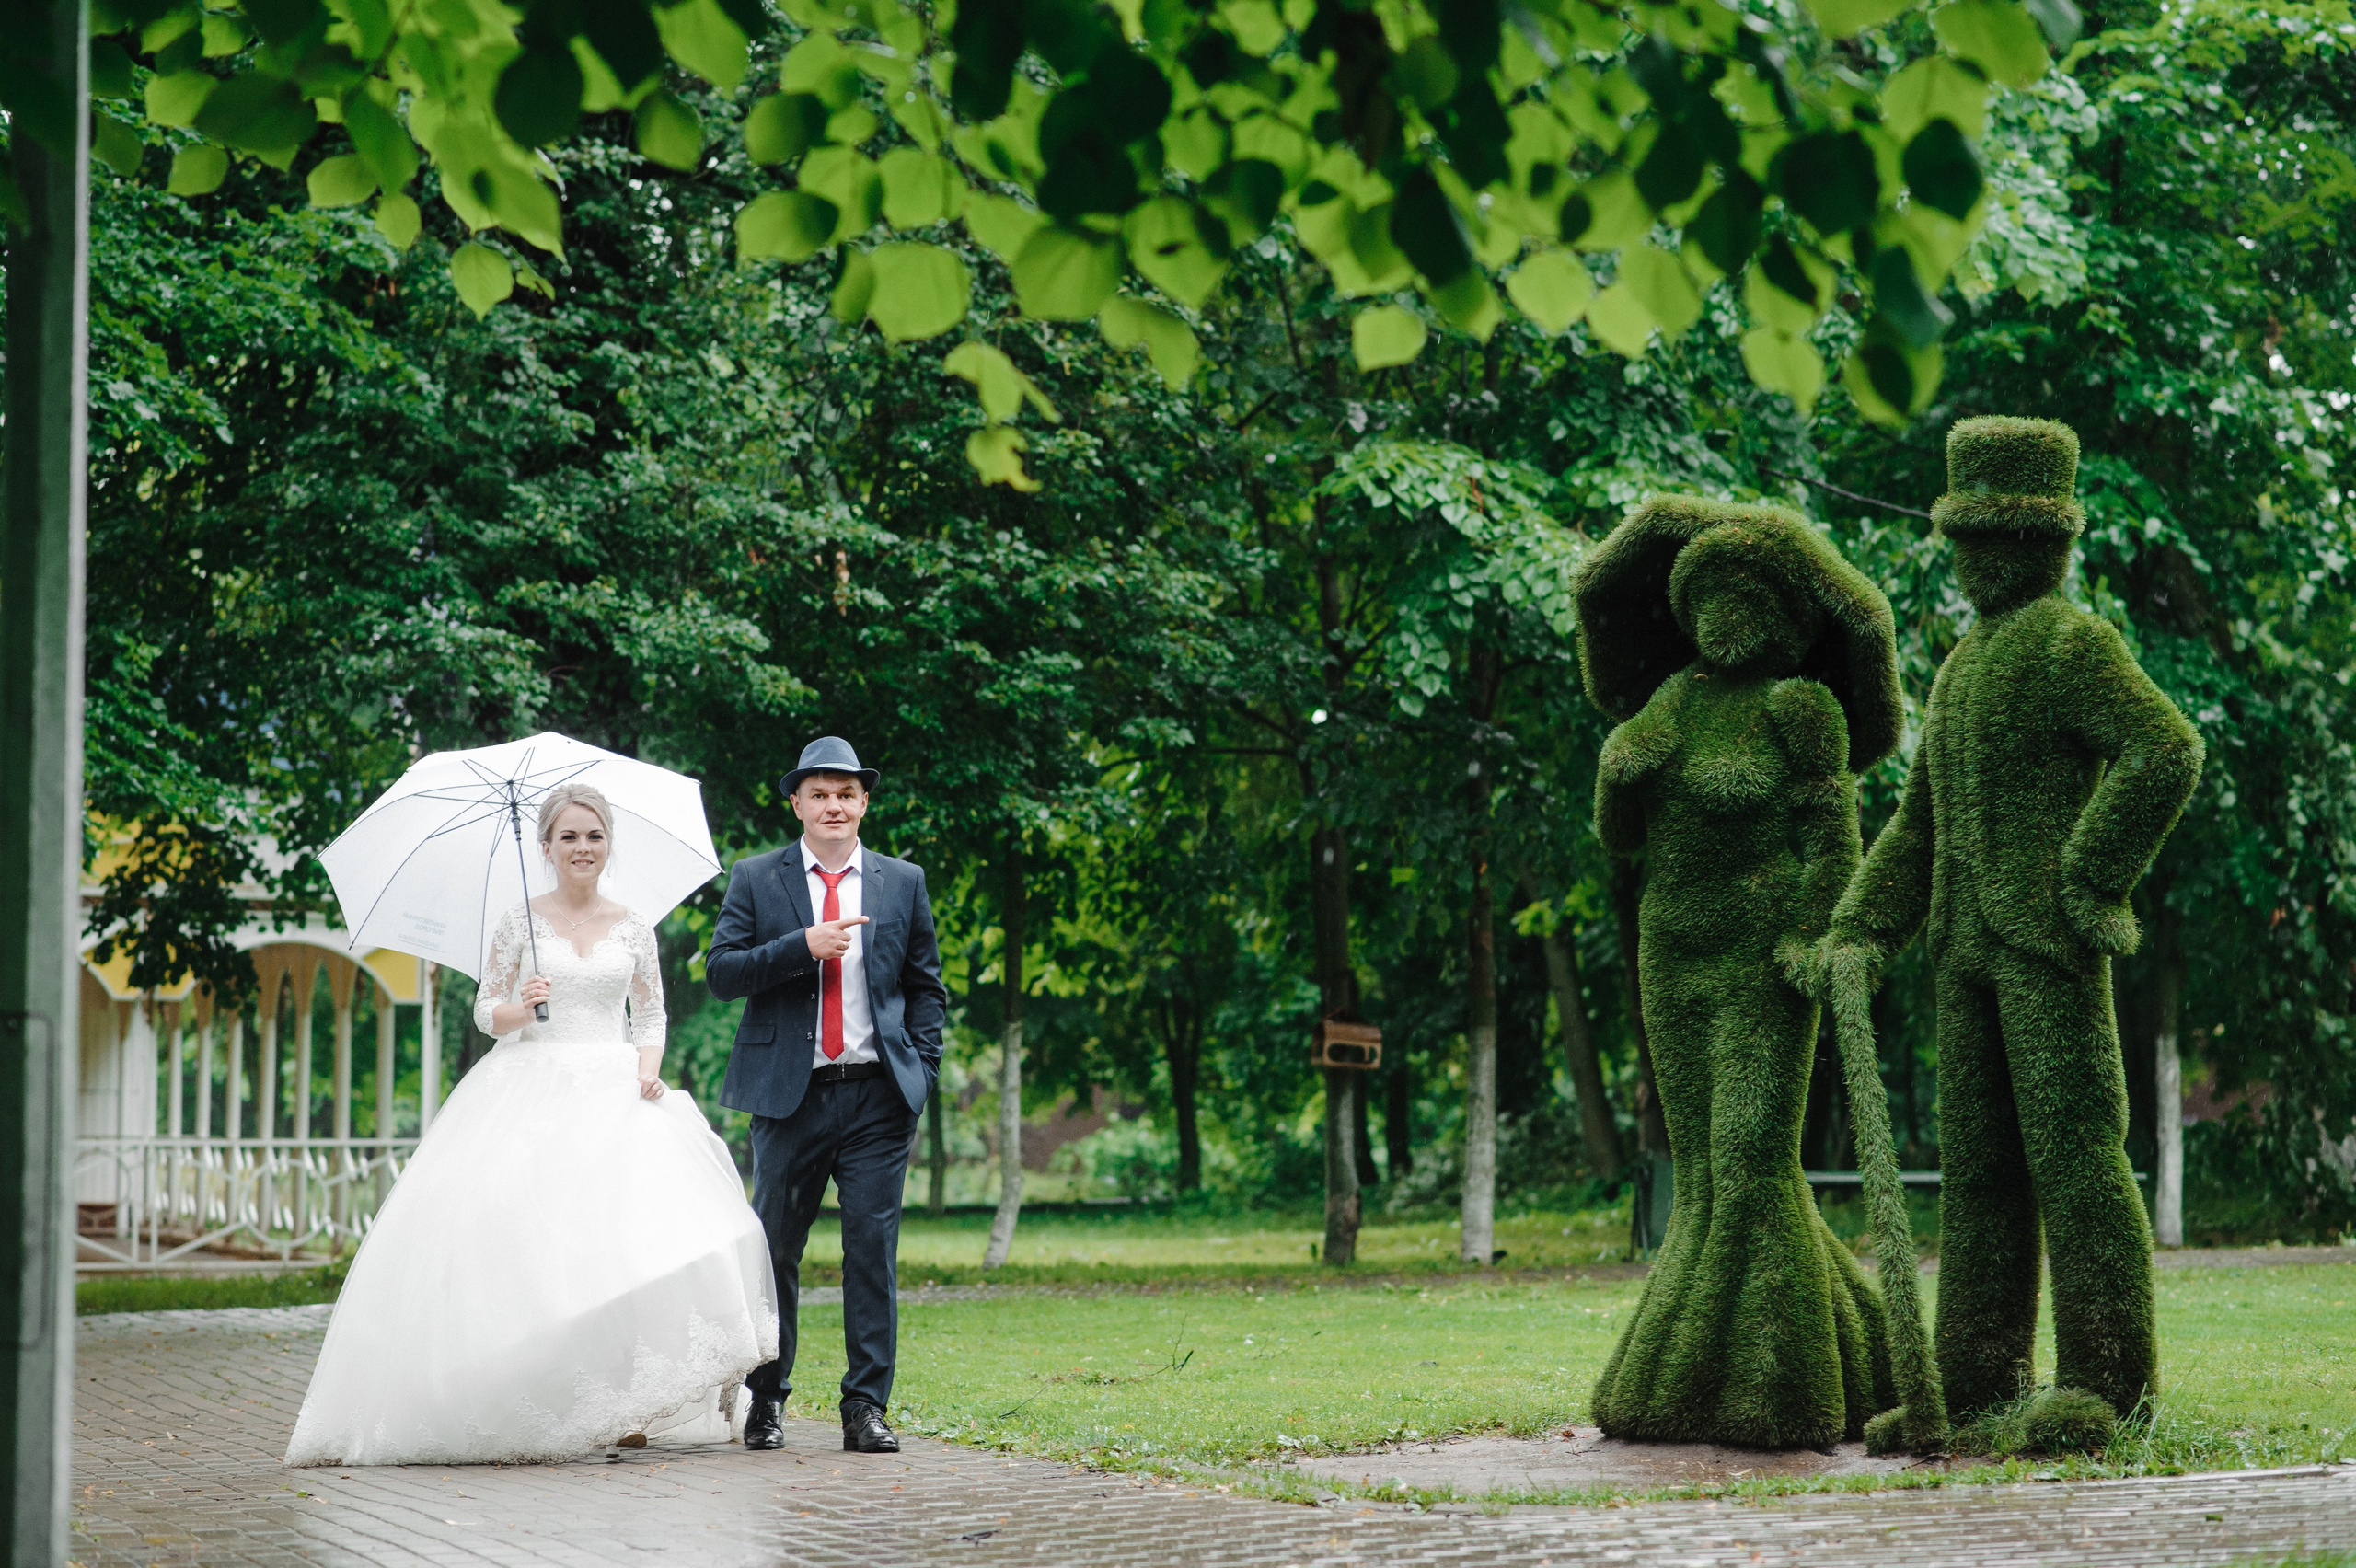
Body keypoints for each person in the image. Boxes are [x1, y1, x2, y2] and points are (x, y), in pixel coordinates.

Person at [1811, 418, 2202, 1440]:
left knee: (2077, 1156)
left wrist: (2089, 877)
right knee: (1980, 1175)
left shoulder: (2073, 643)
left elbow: (2165, 749)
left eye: (2001, 538)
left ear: (2049, 542)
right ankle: (1977, 1382)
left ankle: (2106, 1385)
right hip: (1963, 953)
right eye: (1965, 538)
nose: (1977, 558)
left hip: (2044, 947)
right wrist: (1859, 929)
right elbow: (1916, 828)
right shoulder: (1956, 670)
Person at [285, 783, 775, 1467]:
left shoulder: (634, 926)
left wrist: (647, 1069)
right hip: (531, 1089)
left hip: (615, 1089)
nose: (583, 848)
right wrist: (523, 1006)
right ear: (546, 847)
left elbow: (651, 1012)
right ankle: (543, 1390)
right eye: (569, 837)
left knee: (628, 1245)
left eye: (594, 836)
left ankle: (628, 1400)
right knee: (540, 1253)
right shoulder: (519, 922)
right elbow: (486, 1012)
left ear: (608, 844)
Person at [1574, 497, 1904, 1448]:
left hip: (1764, 963)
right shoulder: (1671, 702)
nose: (1725, 615)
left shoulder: (1802, 710)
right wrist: (1615, 775)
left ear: (1787, 618)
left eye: (1748, 596)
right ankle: (1838, 1359)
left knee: (1752, 1157)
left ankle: (1782, 1389)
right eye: (1709, 595)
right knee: (1707, 1175)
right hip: (1670, 954)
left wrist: (1813, 934)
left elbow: (1832, 840)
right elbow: (1620, 837)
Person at [707, 735, 946, 1456]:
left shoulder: (903, 881)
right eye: (819, 794)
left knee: (871, 1253)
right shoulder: (757, 878)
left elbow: (925, 988)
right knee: (774, 1252)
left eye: (846, 793)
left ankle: (865, 1407)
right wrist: (799, 946)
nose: (833, 805)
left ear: (864, 802)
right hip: (790, 1098)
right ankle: (767, 1400)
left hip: (879, 1097)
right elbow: (722, 972)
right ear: (797, 805)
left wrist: (922, 1071)